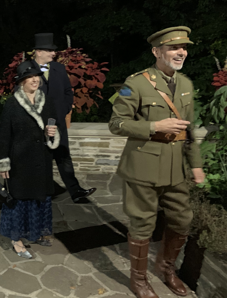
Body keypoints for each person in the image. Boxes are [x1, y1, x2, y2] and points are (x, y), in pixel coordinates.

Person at [109, 26, 205, 298]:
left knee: (182, 219)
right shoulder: (135, 83)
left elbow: (190, 128)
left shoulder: (185, 84)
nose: (180, 52)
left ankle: (166, 268)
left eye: (184, 48)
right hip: (143, 166)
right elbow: (116, 124)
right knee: (142, 224)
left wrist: (195, 164)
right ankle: (138, 280)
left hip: (176, 168)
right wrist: (153, 126)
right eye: (174, 48)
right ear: (157, 51)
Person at [0, 61, 59, 259]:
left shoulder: (47, 101)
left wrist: (51, 134)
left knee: (39, 199)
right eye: (30, 77)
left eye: (37, 76)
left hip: (41, 160)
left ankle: (35, 233)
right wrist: (3, 162)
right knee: (19, 200)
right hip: (19, 161)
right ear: (21, 82)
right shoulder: (12, 103)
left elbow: (53, 130)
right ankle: (16, 239)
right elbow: (4, 135)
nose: (35, 80)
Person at [31, 33, 96, 203]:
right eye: (49, 50)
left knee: (63, 156)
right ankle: (42, 194)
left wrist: (65, 109)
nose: (54, 53)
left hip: (58, 121)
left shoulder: (59, 68)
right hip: (36, 123)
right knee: (41, 159)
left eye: (54, 50)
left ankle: (75, 192)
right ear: (38, 52)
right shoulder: (26, 68)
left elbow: (68, 91)